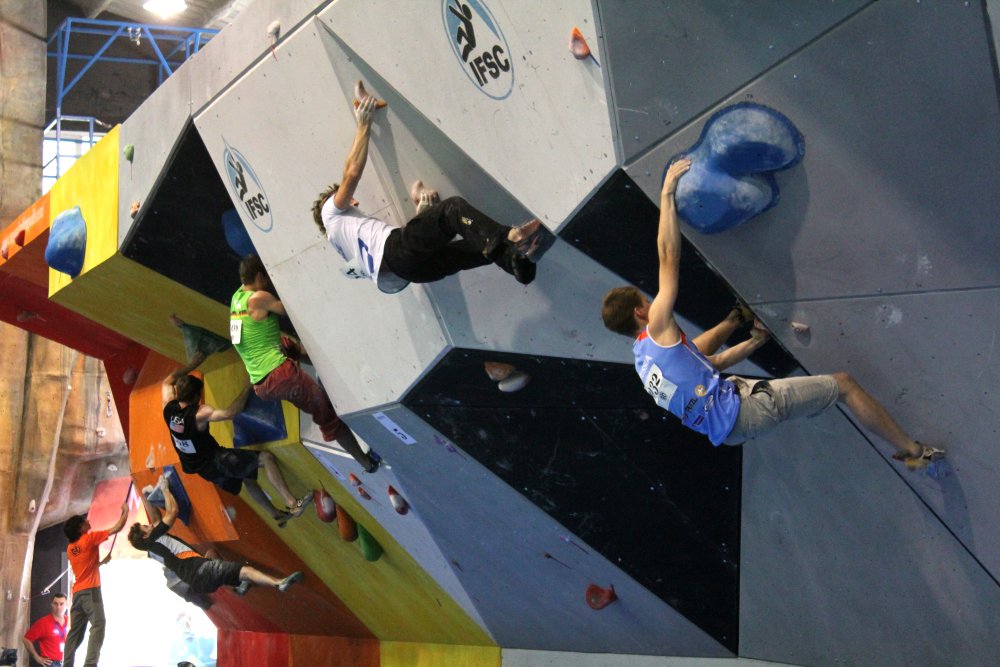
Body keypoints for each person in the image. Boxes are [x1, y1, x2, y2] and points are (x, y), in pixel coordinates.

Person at [600, 158, 944, 469]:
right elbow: (668, 257)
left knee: (739, 373)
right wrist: (666, 194)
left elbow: (710, 364)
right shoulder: (657, 325)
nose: (651, 302)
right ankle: (915, 453)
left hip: (731, 424)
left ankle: (740, 324)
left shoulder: (646, 365)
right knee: (844, 385)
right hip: (744, 410)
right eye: (646, 301)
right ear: (640, 311)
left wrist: (753, 341)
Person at [311, 87, 547, 293]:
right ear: (350, 202)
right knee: (452, 211)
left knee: (472, 247)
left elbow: (398, 257)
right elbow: (351, 173)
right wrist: (364, 125)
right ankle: (511, 237)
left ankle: (520, 261)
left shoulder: (343, 241)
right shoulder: (330, 212)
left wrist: (422, 215)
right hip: (397, 254)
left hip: (410, 273)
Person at [230, 255, 380, 472]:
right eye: (267, 278)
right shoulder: (259, 298)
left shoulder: (237, 298)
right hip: (279, 376)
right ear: (260, 276)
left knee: (287, 344)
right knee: (325, 413)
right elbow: (291, 309)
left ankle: (327, 368)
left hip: (261, 382)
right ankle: (366, 463)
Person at [162, 350, 314, 525]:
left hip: (203, 470)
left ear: (179, 393)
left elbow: (168, 381)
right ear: (196, 397)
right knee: (265, 458)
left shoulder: (169, 409)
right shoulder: (199, 414)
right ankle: (293, 503)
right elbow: (230, 413)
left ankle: (276, 514)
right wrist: (249, 384)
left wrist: (192, 365)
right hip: (216, 460)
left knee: (247, 477)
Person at [128, 477, 303, 597]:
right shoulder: (154, 538)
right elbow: (172, 511)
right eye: (146, 527)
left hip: (198, 584)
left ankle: (239, 585)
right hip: (203, 572)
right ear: (145, 537)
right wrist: (165, 489)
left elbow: (157, 520)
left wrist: (145, 496)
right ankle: (278, 583)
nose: (150, 525)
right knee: (246, 571)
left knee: (211, 553)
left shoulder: (152, 550)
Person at [62, 502, 128, 667]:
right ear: (80, 529)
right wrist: (125, 511)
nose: (86, 521)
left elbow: (85, 567)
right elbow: (117, 527)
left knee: (75, 634)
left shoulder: (71, 548)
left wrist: (101, 563)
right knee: (98, 625)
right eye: (83, 521)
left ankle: (67, 665)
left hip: (77, 594)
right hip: (91, 592)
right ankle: (90, 665)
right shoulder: (89, 539)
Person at [22, 593, 68, 667]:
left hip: (67, 661)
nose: (58, 607)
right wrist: (37, 658)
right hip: (51, 663)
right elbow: (26, 639)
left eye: (61, 604)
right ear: (51, 605)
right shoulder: (43, 622)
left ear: (67, 605)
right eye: (55, 604)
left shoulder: (70, 622)